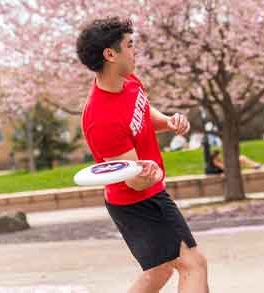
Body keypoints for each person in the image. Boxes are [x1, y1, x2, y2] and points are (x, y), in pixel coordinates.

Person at [77, 17, 209, 293]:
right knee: (193, 264)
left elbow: (142, 111)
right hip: (138, 201)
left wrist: (168, 122)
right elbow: (134, 181)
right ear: (110, 54)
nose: (135, 51)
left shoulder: (129, 81)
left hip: (143, 196)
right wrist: (147, 174)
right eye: (130, 45)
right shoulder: (100, 118)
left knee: (159, 271)